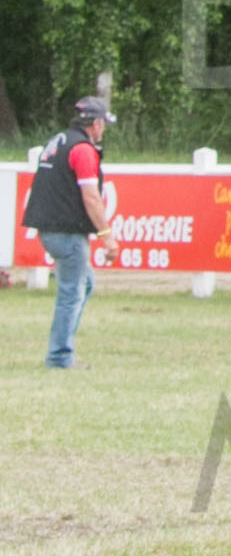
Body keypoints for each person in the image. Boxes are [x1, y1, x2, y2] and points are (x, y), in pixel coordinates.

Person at [23, 95, 117, 369]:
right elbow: (91, 197)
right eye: (103, 123)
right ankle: (60, 356)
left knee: (83, 285)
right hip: (67, 232)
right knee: (71, 293)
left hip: (50, 228)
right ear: (95, 124)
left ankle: (63, 349)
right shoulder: (83, 150)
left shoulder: (58, 141)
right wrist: (107, 236)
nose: (103, 129)